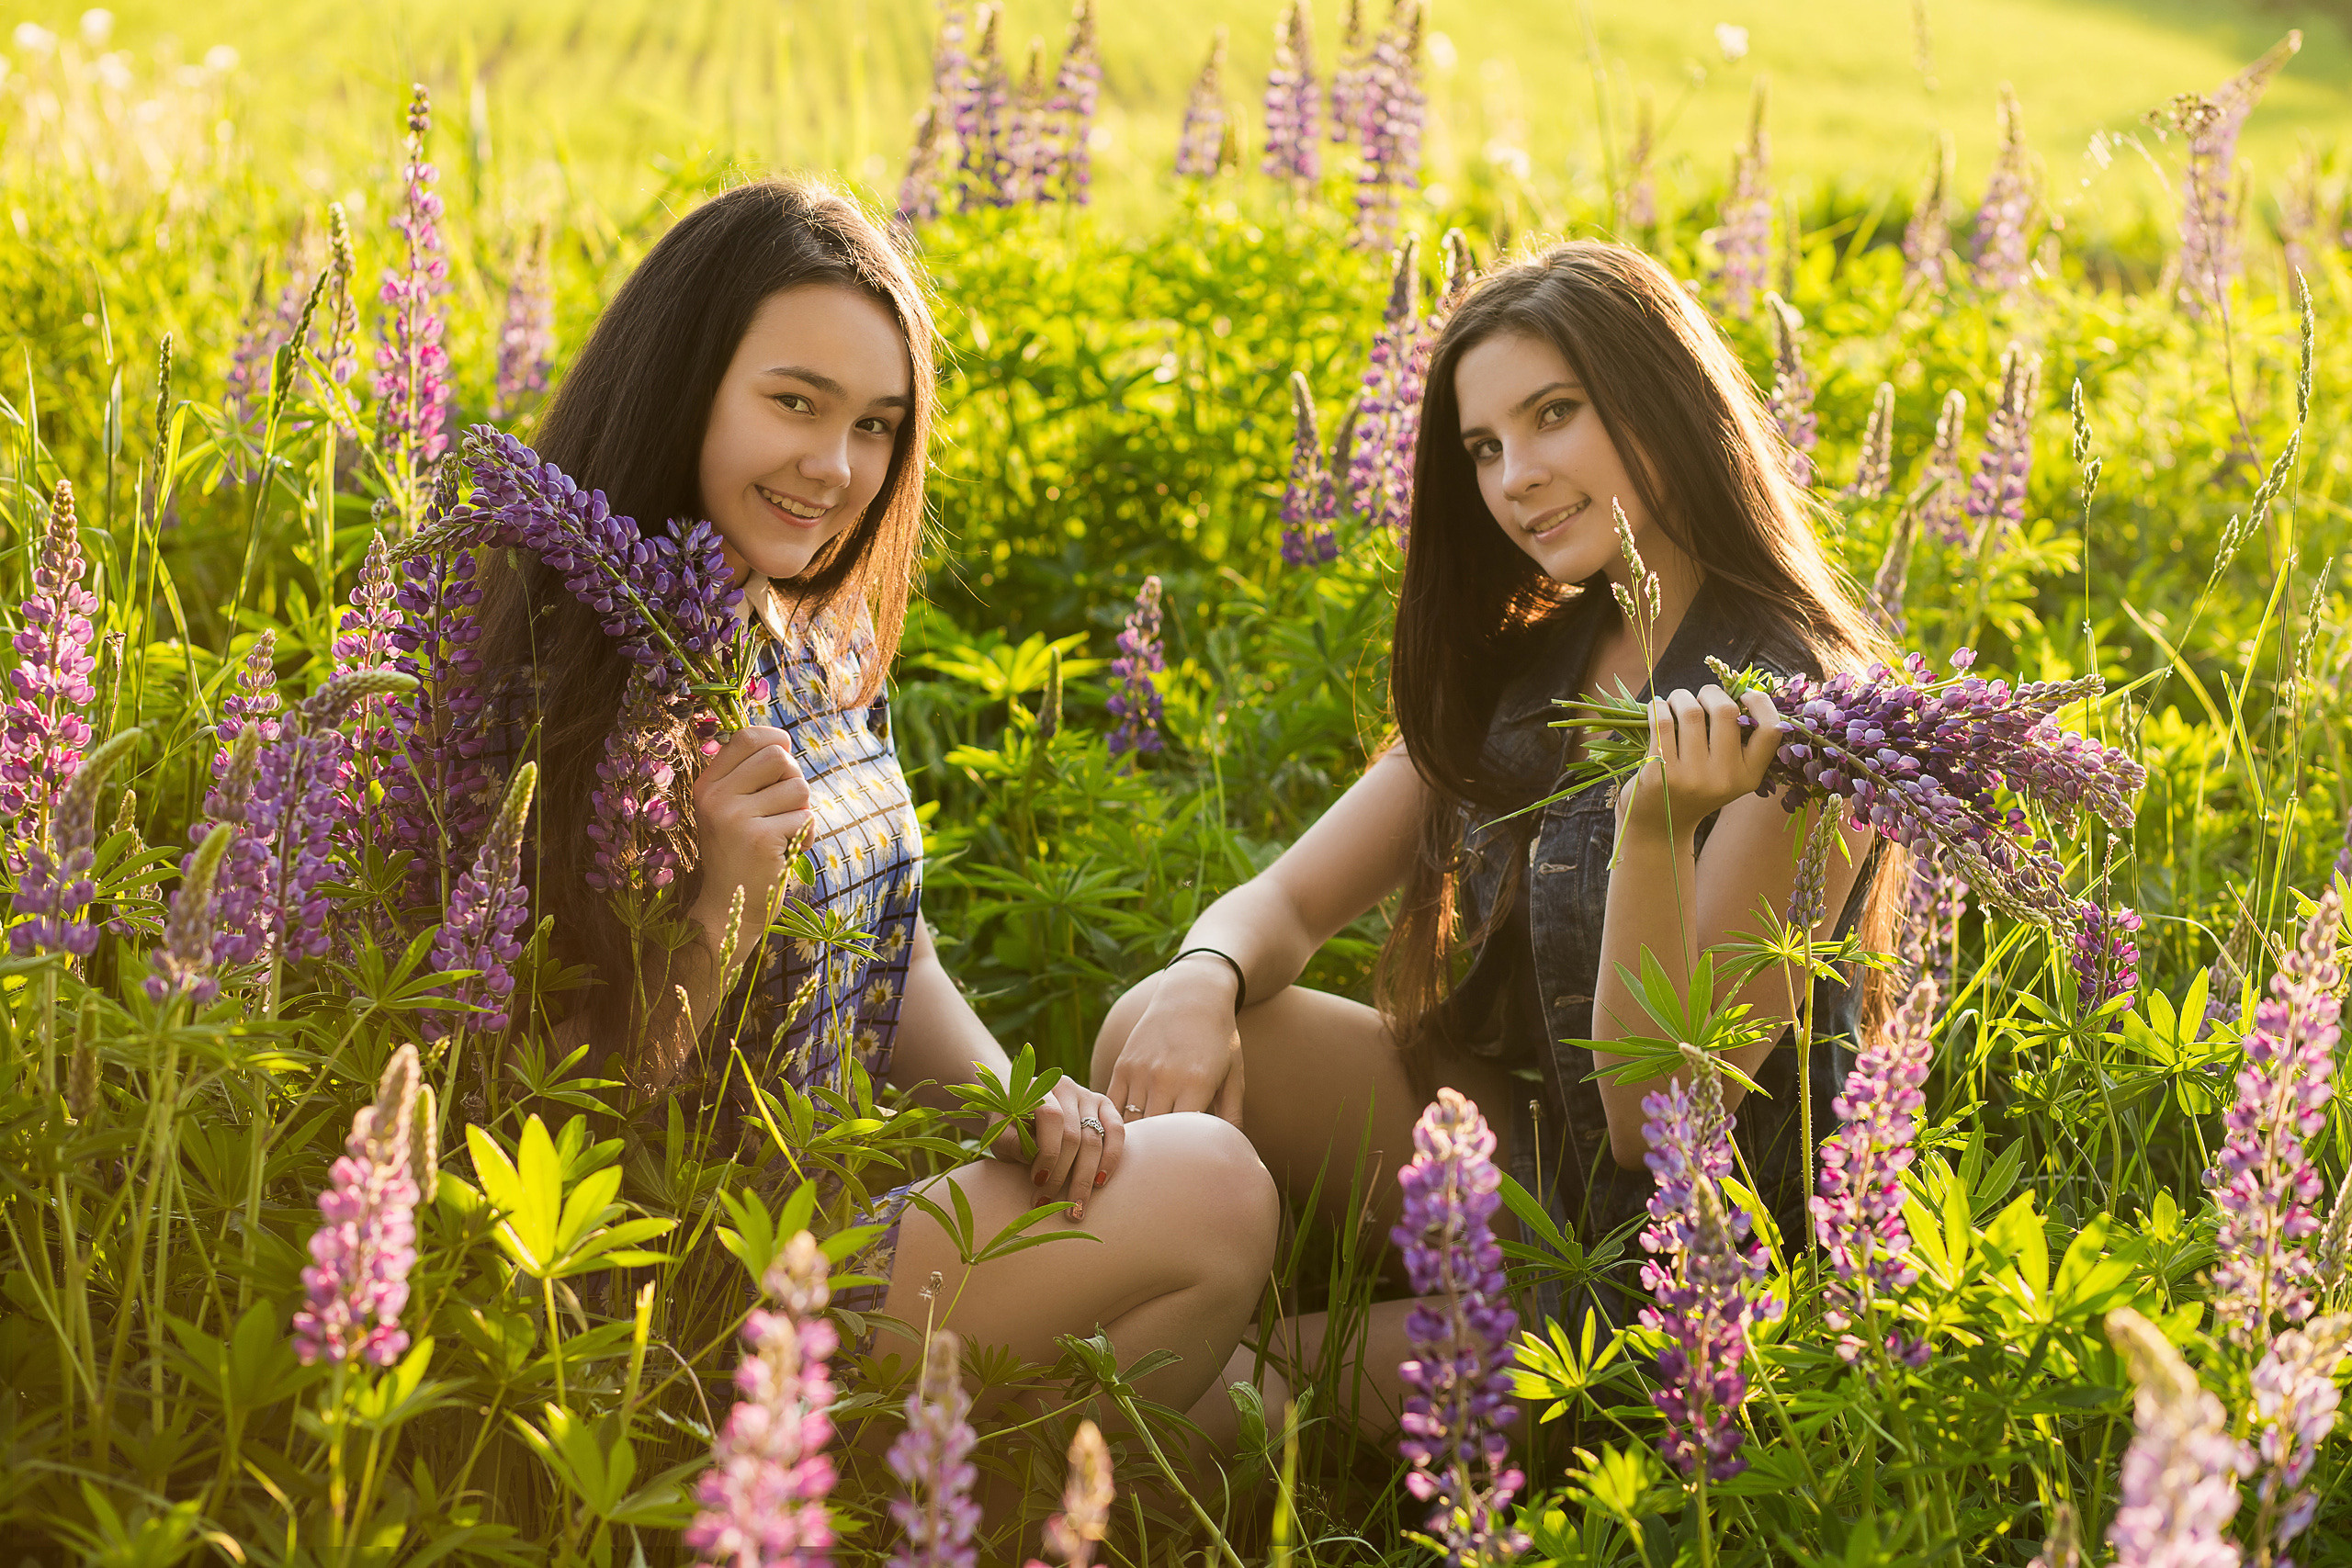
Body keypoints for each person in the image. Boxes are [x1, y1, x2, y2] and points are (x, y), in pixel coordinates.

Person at [469, 177, 1277, 1416]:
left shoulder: (814, 631)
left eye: (878, 426)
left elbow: (885, 943)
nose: (835, 466)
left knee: (1255, 1407)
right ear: (688, 384)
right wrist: (723, 904)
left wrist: (1016, 1100)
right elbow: (571, 1115)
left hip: (845, 1202)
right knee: (1213, 1197)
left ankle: (1008, 1493)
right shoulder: (566, 673)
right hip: (687, 1286)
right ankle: (967, 1499)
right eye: (795, 403)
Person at [1091, 241, 1898, 1435]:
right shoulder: (1542, 663)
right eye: (1483, 448)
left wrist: (1659, 828)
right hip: (1521, 1164)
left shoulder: (1812, 715)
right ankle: (1050, 1318)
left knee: (1219, 1402)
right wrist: (1207, 974)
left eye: (1553, 415)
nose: (1516, 476)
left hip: (1675, 1284)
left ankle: (1080, 1420)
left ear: (1661, 402)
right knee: (1171, 1017)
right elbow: (1288, 905)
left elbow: (1656, 1117)